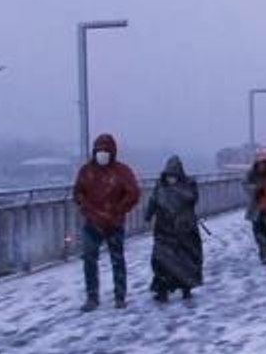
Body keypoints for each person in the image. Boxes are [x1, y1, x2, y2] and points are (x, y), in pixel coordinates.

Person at [73, 133, 141, 311]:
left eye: (106, 151)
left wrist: (118, 209)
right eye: (99, 150)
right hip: (92, 222)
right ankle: (92, 297)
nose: (102, 154)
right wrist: (86, 208)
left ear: (113, 152)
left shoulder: (122, 171)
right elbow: (78, 192)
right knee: (89, 259)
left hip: (114, 222)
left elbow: (133, 193)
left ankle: (120, 296)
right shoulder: (86, 171)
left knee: (117, 259)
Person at [146, 156, 203, 302]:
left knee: (186, 259)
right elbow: (153, 201)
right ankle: (162, 290)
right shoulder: (160, 186)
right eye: (169, 175)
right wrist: (148, 215)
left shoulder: (189, 184)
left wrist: (176, 191)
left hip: (185, 229)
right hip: (163, 229)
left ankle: (186, 288)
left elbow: (192, 198)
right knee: (160, 261)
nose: (171, 178)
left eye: (174, 175)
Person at [245, 154, 266, 264]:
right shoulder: (252, 174)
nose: (261, 166)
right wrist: (255, 188)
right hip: (257, 208)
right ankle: (263, 252)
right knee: (257, 232)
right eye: (259, 164)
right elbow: (245, 184)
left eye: (263, 164)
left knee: (265, 231)